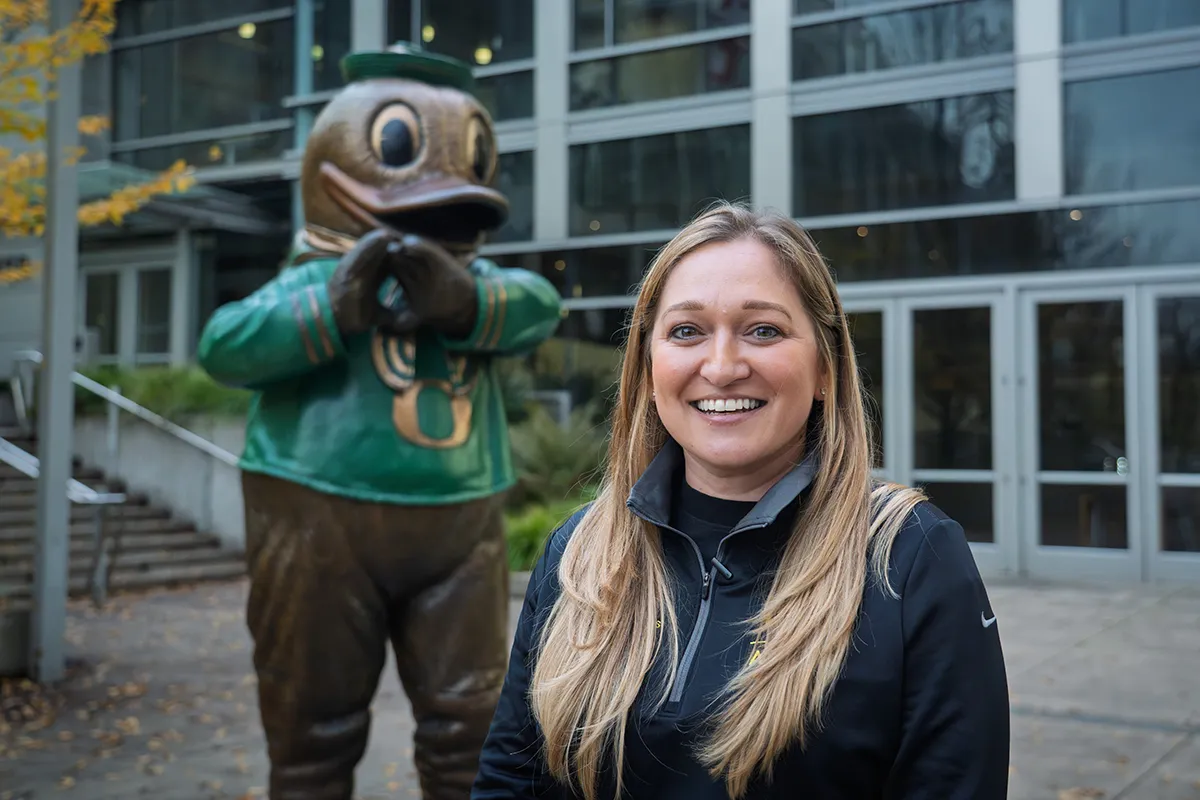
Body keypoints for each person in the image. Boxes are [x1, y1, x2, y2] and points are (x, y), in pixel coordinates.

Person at [471, 202, 1010, 799]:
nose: (722, 367)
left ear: (826, 368)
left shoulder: (909, 557)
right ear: (649, 370)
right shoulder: (578, 552)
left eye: (763, 330)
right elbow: (509, 779)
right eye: (686, 331)